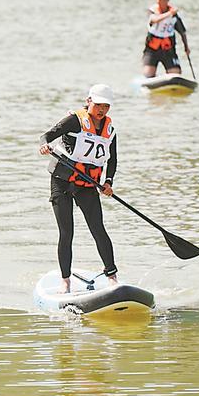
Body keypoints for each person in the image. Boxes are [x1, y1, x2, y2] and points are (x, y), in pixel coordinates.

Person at [38, 84, 118, 294]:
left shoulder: (109, 130)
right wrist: (45, 145)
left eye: (106, 106)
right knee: (67, 233)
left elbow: (112, 160)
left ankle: (112, 277)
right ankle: (65, 282)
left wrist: (108, 182)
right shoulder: (74, 120)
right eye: (98, 105)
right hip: (62, 181)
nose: (102, 110)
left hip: (87, 184)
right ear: (89, 101)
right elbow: (46, 136)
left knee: (98, 229)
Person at [142, 0, 190, 78]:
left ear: (168, 0)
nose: (160, 1)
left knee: (175, 73)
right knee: (148, 73)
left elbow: (182, 32)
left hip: (168, 49)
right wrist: (169, 13)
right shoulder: (152, 11)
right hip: (152, 50)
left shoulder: (174, 16)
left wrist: (186, 47)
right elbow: (154, 20)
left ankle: (170, 79)